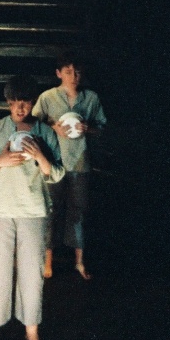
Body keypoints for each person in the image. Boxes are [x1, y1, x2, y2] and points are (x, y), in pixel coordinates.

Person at [0, 75, 64, 340]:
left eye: (25, 102)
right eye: (15, 102)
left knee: (32, 272)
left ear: (33, 102)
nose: (20, 108)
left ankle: (31, 331)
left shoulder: (45, 133)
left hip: (32, 209)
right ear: (8, 102)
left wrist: (40, 156)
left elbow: (57, 173)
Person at [33, 50, 106, 279]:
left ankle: (79, 262)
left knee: (78, 210)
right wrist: (53, 127)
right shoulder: (48, 97)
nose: (73, 76)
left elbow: (102, 127)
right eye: (68, 72)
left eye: (77, 72)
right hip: (54, 161)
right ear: (59, 73)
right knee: (51, 210)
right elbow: (33, 123)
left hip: (80, 162)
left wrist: (89, 129)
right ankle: (47, 261)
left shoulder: (91, 98)